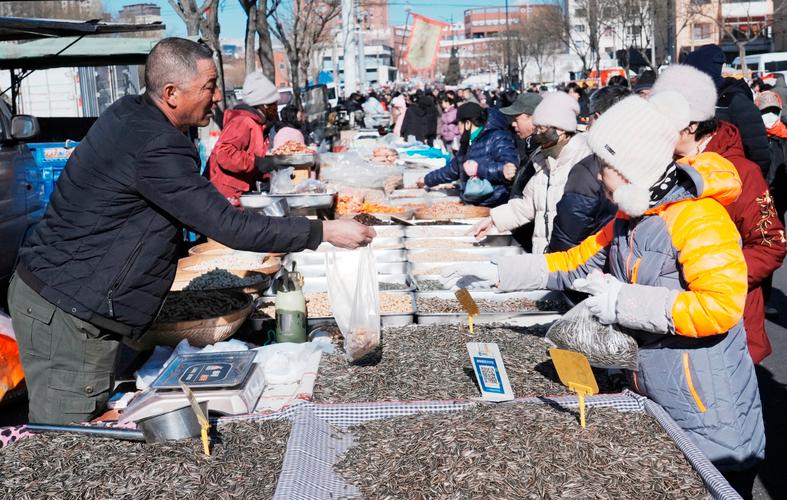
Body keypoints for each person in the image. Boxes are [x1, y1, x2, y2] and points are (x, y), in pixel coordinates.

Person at [7, 38, 375, 425]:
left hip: (72, 297)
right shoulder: (154, 143)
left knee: (87, 427)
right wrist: (322, 231)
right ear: (171, 94)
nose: (217, 97)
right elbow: (228, 225)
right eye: (209, 86)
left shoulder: (135, 116)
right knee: (68, 439)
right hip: (67, 308)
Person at [453, 92, 765, 497]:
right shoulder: (628, 217)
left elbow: (720, 308)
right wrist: (499, 272)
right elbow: (573, 263)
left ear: (631, 166)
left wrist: (622, 302)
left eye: (604, 166)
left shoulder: (699, 218)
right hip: (653, 390)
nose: (598, 176)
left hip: (707, 408)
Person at [652, 64, 787, 365]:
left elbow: (771, 244)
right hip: (669, 319)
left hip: (727, 321)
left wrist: (717, 276)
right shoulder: (658, 165)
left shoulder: (741, 172)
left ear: (690, 125)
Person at [472, 92, 588, 254]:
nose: (537, 134)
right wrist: (494, 219)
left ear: (561, 129)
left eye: (542, 129)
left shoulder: (583, 159)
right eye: (536, 128)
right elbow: (528, 205)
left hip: (572, 257)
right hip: (544, 255)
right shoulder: (542, 158)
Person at [548, 85, 628, 252]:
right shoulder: (651, 157)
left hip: (593, 261)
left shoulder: (589, 169)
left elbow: (567, 238)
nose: (587, 125)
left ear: (597, 117)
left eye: (590, 118)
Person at [684, 44, 771, 176]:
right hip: (702, 179)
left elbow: (760, 154)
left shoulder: (736, 101)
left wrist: (746, 180)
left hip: (733, 181)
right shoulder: (694, 101)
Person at [416, 102, 519, 207]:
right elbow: (452, 170)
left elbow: (511, 169)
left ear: (468, 124)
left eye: (458, 124)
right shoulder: (467, 143)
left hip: (494, 204)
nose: (457, 129)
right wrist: (427, 179)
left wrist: (479, 169)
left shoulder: (497, 137)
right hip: (472, 202)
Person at [208, 71, 280, 205]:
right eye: (274, 103)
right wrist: (257, 163)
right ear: (264, 104)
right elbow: (224, 153)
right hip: (225, 196)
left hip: (239, 194)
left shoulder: (259, 125)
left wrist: (266, 175)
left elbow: (251, 160)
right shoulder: (243, 121)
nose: (276, 108)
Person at [498, 92, 543, 252]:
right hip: (524, 232)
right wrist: (509, 178)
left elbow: (533, 201)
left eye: (517, 119)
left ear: (533, 118)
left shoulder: (544, 152)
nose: (513, 124)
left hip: (534, 238)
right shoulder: (528, 146)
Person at [757, 90, 787, 221]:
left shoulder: (785, 133)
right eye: (765, 112)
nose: (769, 115)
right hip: (764, 192)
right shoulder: (754, 137)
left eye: (774, 111)